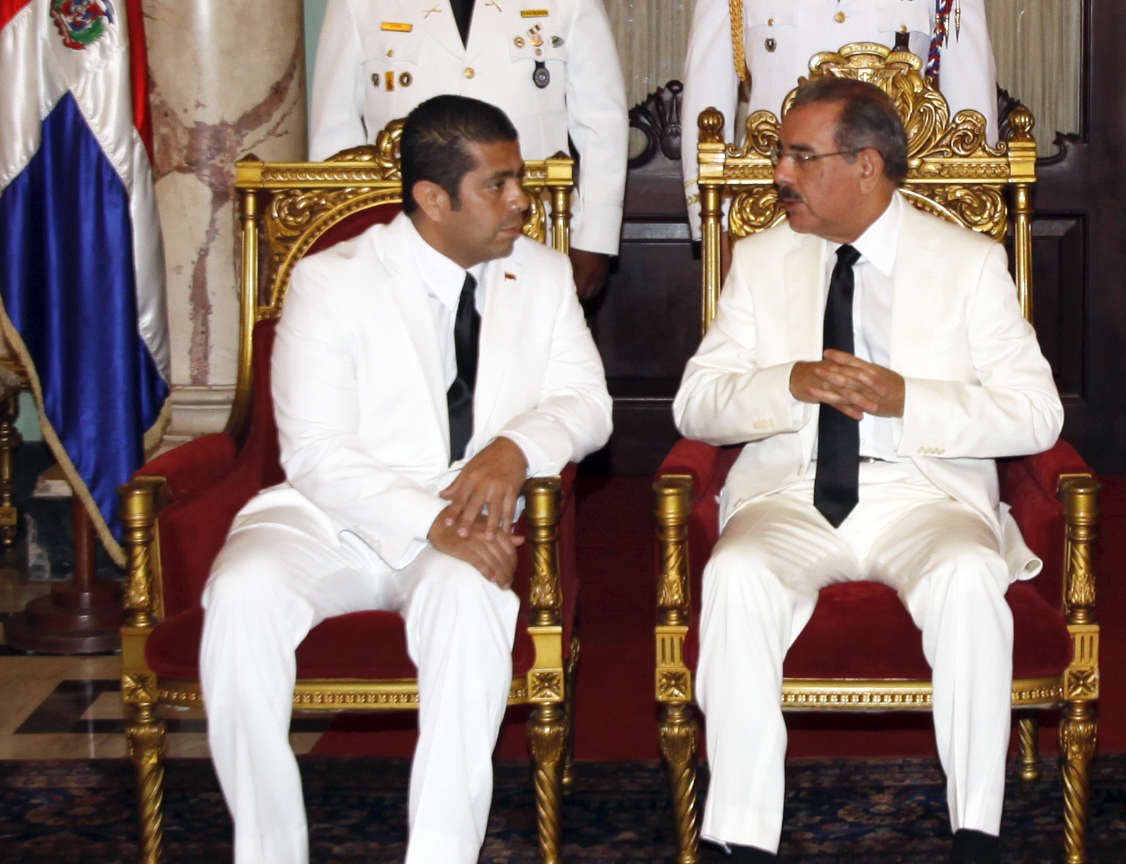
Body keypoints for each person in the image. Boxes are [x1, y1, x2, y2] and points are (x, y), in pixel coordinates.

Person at [199, 94, 612, 864]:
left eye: (519, 179)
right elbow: (315, 452)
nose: (521, 200)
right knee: (242, 591)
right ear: (432, 197)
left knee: (470, 601)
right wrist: (430, 522)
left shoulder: (544, 275)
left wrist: (515, 447)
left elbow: (588, 404)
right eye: (497, 184)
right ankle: (268, 849)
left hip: (469, 517)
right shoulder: (330, 280)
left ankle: (442, 853)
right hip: (331, 515)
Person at [672, 77, 1062, 864]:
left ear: (866, 166)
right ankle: (738, 838)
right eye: (779, 154)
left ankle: (976, 834)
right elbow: (695, 406)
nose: (778, 173)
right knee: (736, 573)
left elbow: (1036, 415)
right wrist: (788, 383)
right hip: (791, 493)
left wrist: (906, 398)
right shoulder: (760, 261)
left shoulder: (968, 263)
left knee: (968, 576)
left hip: (924, 493)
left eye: (799, 156)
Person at [309, 0, 629, 300]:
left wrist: (594, 238)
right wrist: (341, 240)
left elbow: (601, 121)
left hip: (530, 231)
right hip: (404, 235)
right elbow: (335, 131)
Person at [680, 0, 999, 237]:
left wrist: (973, 224)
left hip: (893, 216)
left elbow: (971, 119)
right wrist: (714, 229)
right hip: (773, 212)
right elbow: (707, 108)